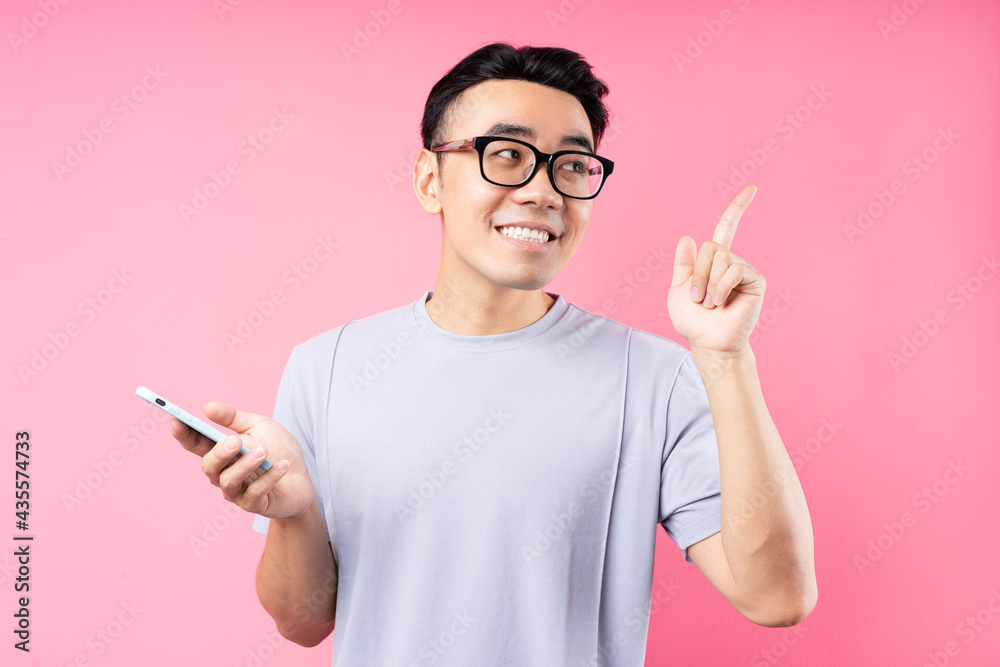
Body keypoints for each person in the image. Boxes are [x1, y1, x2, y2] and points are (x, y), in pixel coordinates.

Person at [171, 42, 817, 665]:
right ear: (431, 180)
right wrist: (295, 512)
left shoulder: (655, 378)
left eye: (571, 164)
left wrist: (727, 360)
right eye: (506, 154)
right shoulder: (327, 366)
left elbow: (778, 597)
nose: (543, 190)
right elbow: (302, 621)